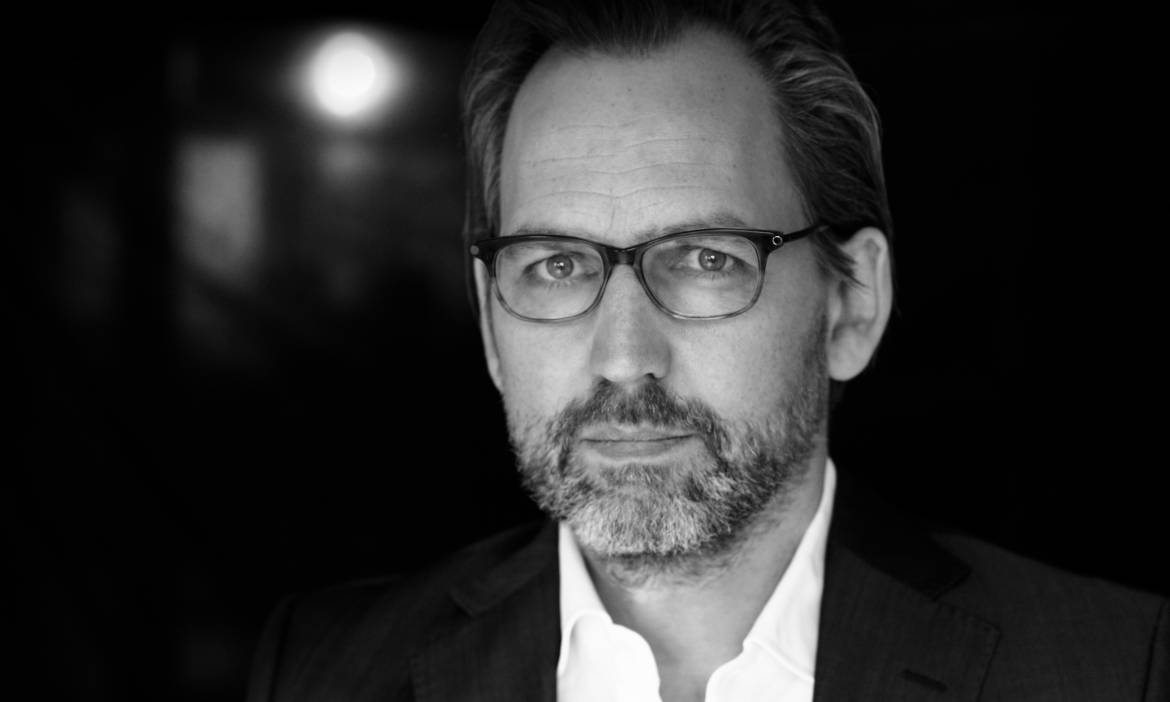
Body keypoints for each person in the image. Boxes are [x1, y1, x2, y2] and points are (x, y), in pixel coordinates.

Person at [246, 1, 1168, 700]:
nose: (622, 357)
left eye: (705, 259)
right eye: (557, 265)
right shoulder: (323, 670)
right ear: (492, 323)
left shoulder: (1111, 667)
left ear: (852, 303)